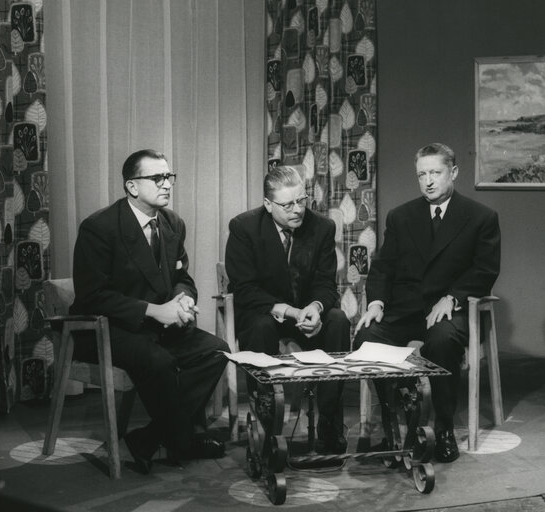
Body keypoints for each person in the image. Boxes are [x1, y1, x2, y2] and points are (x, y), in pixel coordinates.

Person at [70, 149, 229, 474]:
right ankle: (182, 439)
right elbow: (93, 296)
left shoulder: (172, 224)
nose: (167, 184)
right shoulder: (99, 228)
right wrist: (156, 311)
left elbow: (181, 275)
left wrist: (183, 299)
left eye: (169, 176)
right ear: (131, 186)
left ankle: (152, 437)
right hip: (105, 327)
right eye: (157, 178)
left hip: (152, 327)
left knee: (216, 350)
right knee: (160, 361)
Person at [355, 142, 501, 463]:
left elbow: (485, 269)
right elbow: (383, 266)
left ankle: (444, 427)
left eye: (435, 173)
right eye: (422, 175)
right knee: (366, 337)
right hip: (404, 308)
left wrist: (453, 297)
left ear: (454, 173)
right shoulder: (401, 216)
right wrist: (376, 302)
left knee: (444, 340)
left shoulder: (480, 217)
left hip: (447, 309)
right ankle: (398, 426)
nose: (429, 181)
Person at [225, 165, 351, 455]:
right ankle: (267, 427)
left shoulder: (321, 227)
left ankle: (330, 422)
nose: (297, 210)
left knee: (338, 320)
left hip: (306, 314)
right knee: (260, 326)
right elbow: (244, 289)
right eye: (288, 204)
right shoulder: (244, 228)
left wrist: (316, 308)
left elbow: (326, 285)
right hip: (263, 312)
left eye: (301, 200)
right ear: (268, 205)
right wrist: (290, 311)